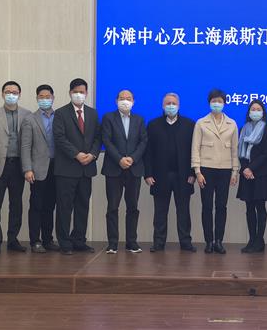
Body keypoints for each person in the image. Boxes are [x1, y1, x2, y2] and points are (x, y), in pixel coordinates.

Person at [53, 78, 102, 255]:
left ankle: (79, 240)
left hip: (86, 168)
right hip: (66, 169)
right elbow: (59, 138)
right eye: (75, 92)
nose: (79, 95)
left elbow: (98, 137)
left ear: (86, 93)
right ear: (70, 93)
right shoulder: (61, 113)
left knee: (83, 206)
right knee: (64, 208)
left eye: (81, 92)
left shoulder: (93, 113)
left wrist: (93, 155)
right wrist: (76, 154)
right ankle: (65, 243)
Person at [144, 93, 196, 252]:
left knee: (184, 212)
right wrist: (148, 174)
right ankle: (158, 243)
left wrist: (193, 173)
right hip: (159, 176)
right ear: (163, 106)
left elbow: (194, 151)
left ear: (178, 106)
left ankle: (185, 242)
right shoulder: (153, 125)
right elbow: (148, 152)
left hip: (184, 176)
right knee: (160, 212)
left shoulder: (189, 125)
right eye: (168, 103)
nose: (171, 106)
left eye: (174, 103)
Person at [191, 89, 239, 254]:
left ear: (224, 103)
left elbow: (235, 150)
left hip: (225, 170)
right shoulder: (201, 123)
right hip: (206, 169)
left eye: (219, 101)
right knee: (206, 206)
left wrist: (235, 172)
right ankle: (208, 241)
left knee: (221, 206)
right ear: (209, 103)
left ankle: (219, 240)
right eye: (214, 101)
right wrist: (197, 171)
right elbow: (195, 148)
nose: (216, 104)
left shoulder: (232, 124)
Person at [101, 89, 148, 254]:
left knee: (133, 207)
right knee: (112, 207)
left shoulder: (139, 119)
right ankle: (113, 243)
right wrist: (120, 159)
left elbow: (143, 141)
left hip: (134, 169)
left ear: (133, 101)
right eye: (122, 98)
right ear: (116, 101)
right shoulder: (108, 118)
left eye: (128, 98)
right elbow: (106, 140)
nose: (125, 101)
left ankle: (131, 242)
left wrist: (132, 158)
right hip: (114, 168)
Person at [0, 81, 31, 254]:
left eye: (14, 92)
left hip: (18, 165)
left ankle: (13, 239)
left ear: (20, 94)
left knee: (16, 205)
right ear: (2, 94)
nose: (11, 95)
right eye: (8, 91)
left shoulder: (27, 115)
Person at [21, 84, 59, 253]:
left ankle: (48, 239)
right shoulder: (30, 119)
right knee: (36, 205)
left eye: (47, 96)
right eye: (41, 97)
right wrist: (27, 169)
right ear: (37, 98)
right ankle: (35, 241)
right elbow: (25, 146)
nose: (44, 99)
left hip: (57, 168)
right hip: (37, 169)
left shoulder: (60, 117)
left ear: (53, 98)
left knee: (50, 206)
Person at [237, 100, 267, 254]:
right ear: (249, 112)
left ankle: (260, 240)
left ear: (263, 112)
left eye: (258, 109)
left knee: (260, 208)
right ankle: (251, 240)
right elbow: (240, 152)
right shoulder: (243, 129)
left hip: (260, 174)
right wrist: (245, 168)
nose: (255, 111)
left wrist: (251, 168)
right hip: (246, 175)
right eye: (253, 109)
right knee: (249, 208)